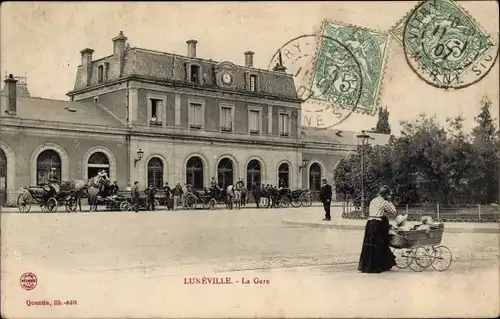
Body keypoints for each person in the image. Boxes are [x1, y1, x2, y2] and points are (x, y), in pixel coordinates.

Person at [358, 185, 397, 273]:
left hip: (370, 223)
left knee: (369, 244)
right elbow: (393, 211)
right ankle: (378, 266)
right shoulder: (384, 202)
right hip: (378, 224)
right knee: (380, 243)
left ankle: (366, 266)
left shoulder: (373, 200)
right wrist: (390, 201)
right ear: (386, 195)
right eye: (388, 195)